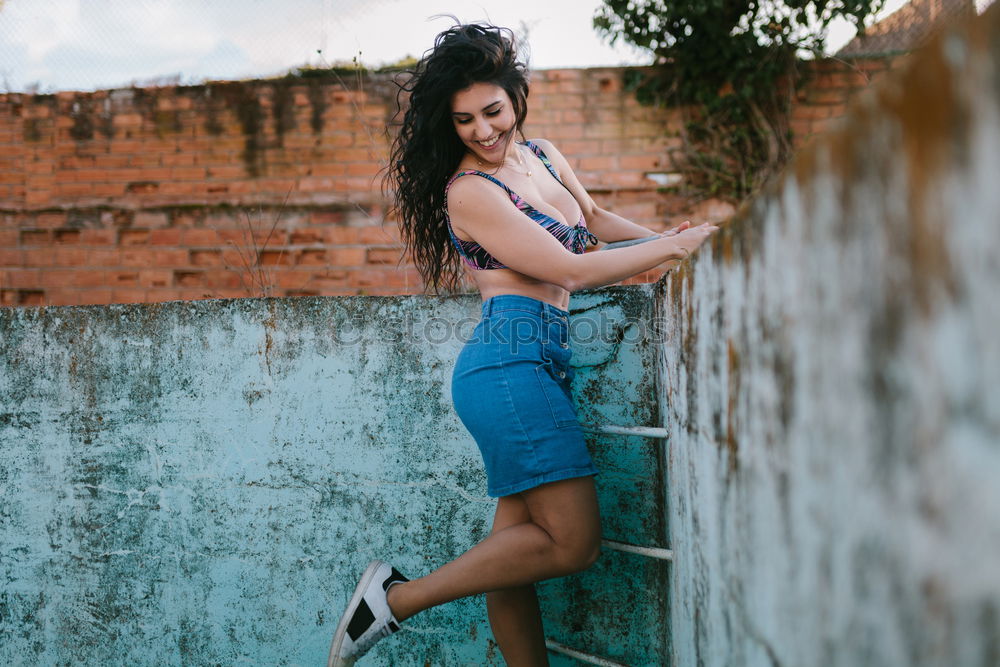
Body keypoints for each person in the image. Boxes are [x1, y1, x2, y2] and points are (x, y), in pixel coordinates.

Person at [328, 22, 718, 667]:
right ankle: (393, 602)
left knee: (511, 552)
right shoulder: (470, 192)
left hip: (539, 362)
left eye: (492, 111)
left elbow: (592, 228)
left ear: (516, 98)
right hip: (507, 362)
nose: (482, 131)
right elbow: (569, 270)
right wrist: (676, 246)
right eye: (463, 121)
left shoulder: (540, 156)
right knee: (572, 545)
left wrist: (667, 238)